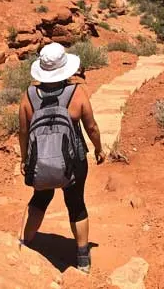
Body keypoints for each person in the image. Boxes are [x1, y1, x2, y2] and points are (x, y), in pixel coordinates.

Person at [18, 42, 106, 273]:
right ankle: (83, 258)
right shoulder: (76, 93)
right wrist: (99, 148)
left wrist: (24, 159)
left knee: (39, 199)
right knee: (76, 204)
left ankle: (24, 244)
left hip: (41, 160)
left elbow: (23, 132)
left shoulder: (28, 96)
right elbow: (92, 127)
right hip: (73, 161)